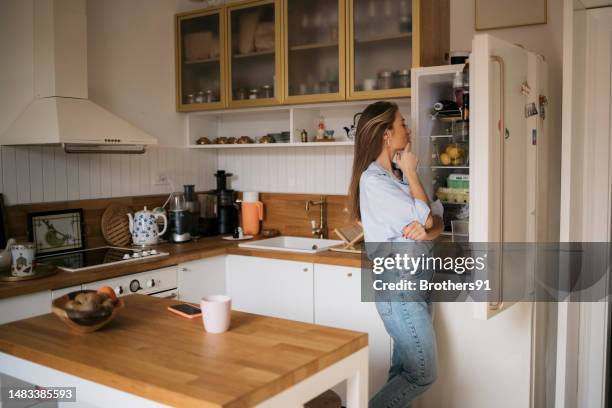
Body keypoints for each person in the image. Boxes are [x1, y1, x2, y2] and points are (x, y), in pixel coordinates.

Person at [348, 101, 444, 407]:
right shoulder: (374, 181)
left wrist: (427, 227)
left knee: (401, 372)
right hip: (399, 290)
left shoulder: (397, 178)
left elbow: (436, 221)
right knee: (423, 374)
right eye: (403, 123)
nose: (409, 129)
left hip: (417, 285)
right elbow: (428, 217)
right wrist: (414, 174)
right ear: (387, 134)